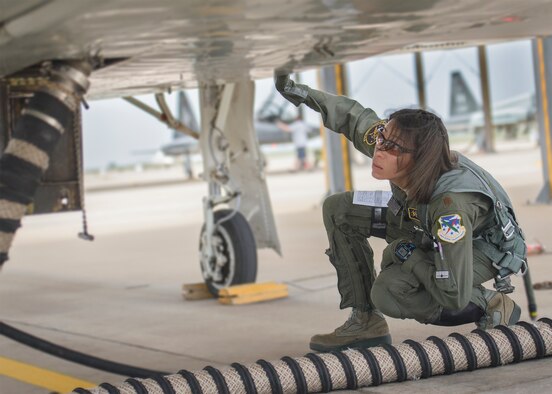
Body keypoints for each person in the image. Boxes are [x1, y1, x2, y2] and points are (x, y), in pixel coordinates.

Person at [275, 72, 527, 352]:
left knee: (390, 291)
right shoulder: (397, 144)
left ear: (418, 159)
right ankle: (365, 320)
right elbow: (353, 116)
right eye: (381, 140)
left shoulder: (450, 209)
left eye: (390, 148)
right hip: (419, 218)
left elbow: (453, 295)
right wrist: (301, 92)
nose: (378, 151)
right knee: (339, 208)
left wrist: (406, 253)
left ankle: (489, 303)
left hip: (480, 246)